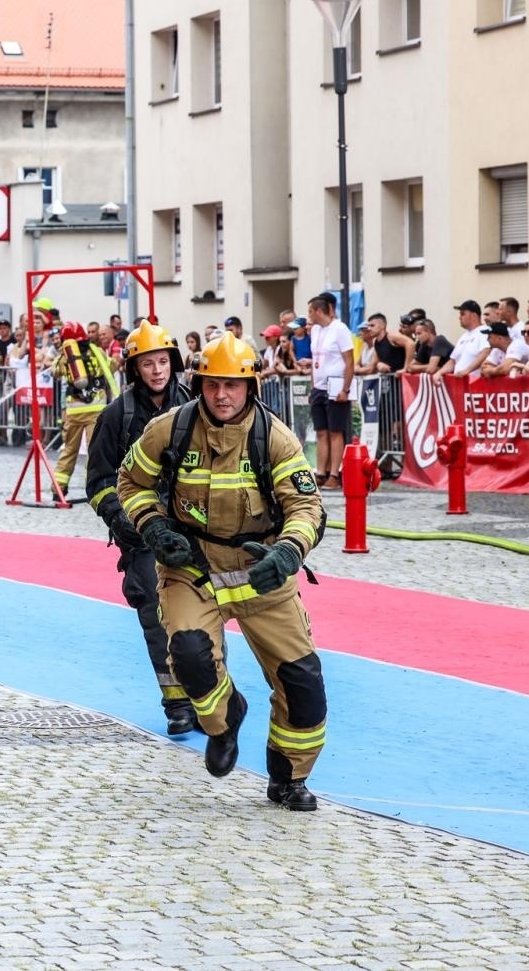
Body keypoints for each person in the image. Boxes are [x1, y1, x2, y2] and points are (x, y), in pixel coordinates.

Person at [116, 333, 328, 811]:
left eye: (232, 385)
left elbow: (306, 505)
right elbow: (131, 482)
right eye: (212, 385)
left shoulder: (274, 438)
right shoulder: (168, 430)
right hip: (194, 567)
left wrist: (289, 553)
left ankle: (288, 777)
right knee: (189, 656)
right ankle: (224, 720)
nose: (222, 395)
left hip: (263, 572)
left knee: (303, 684)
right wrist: (152, 527)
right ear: (199, 384)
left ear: (250, 386)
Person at [86, 321, 197, 736]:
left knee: (206, 615)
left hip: (193, 531)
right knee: (156, 613)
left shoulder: (193, 405)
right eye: (148, 363)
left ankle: (206, 696)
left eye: (163, 361)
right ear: (135, 369)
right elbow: (97, 481)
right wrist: (122, 520)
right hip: (143, 533)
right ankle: (178, 705)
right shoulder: (118, 415)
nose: (157, 370)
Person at [54, 320, 119, 500]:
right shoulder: (96, 351)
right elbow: (112, 366)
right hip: (96, 408)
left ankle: (58, 489)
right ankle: (94, 488)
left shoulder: (67, 355)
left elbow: (55, 371)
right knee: (94, 450)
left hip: (73, 410)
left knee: (69, 450)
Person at [305, 293, 353, 489]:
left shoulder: (339, 329)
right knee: (321, 432)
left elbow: (349, 361)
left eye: (310, 311)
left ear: (318, 311)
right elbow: (315, 361)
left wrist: (346, 388)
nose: (308, 315)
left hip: (336, 385)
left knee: (335, 431)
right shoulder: (315, 330)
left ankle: (335, 472)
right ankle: (321, 471)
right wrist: (312, 386)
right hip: (319, 386)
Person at [438, 299, 490, 380]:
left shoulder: (485, 331)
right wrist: (439, 373)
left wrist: (466, 371)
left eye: (463, 314)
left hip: (475, 384)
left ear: (474, 316)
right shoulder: (463, 336)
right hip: (460, 384)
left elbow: (485, 352)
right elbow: (453, 361)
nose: (459, 317)